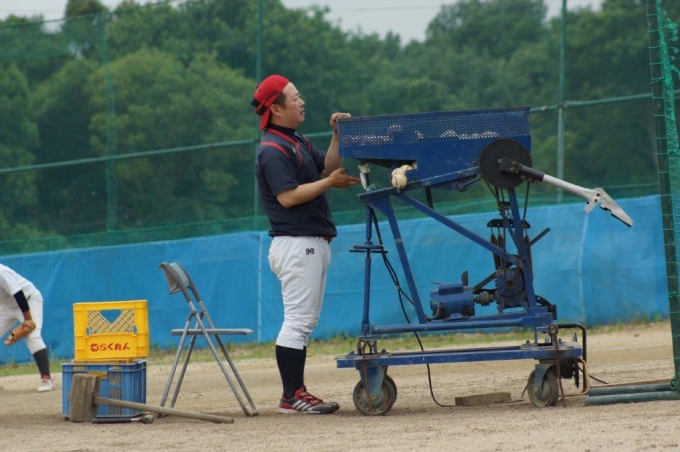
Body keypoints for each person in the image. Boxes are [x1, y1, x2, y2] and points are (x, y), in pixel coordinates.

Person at [252, 74, 361, 414]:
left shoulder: (294, 140)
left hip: (308, 242)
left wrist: (336, 135)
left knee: (304, 323)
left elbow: (328, 166)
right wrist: (328, 183)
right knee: (298, 322)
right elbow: (287, 197)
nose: (302, 102)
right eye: (295, 97)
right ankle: (291, 396)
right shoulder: (272, 149)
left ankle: (295, 393)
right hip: (296, 244)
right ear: (276, 108)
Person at [0, 263, 54, 392]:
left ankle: (46, 379)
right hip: (6, 307)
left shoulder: (2, 272)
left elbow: (19, 294)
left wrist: (28, 320)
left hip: (29, 301)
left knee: (32, 337)